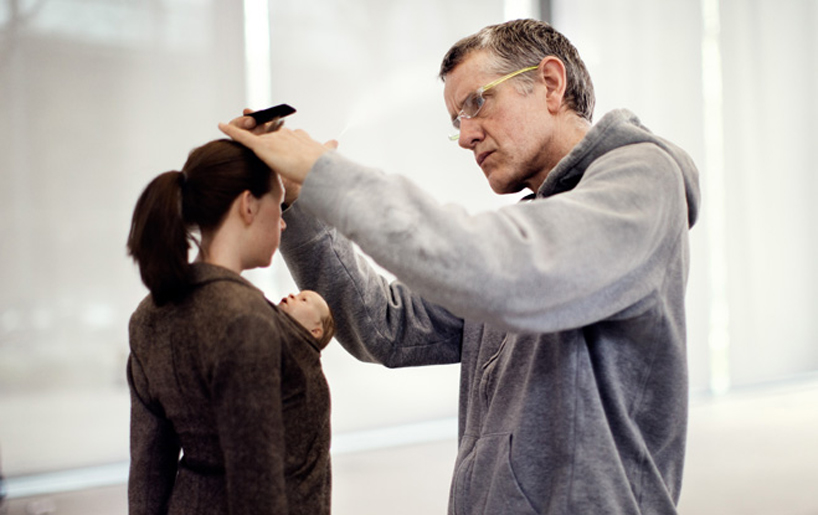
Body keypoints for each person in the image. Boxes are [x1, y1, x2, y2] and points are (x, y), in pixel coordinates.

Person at [220, 18, 700, 515]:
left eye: (476, 102)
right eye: (457, 121)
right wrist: (302, 202)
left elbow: (509, 272)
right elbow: (386, 327)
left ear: (551, 84)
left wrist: (328, 176)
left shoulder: (643, 179)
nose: (467, 136)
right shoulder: (531, 231)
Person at [126, 138, 331, 515]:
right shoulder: (245, 319)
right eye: (278, 202)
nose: (283, 221)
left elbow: (147, 475)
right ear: (248, 205)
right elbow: (257, 492)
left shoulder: (148, 315)